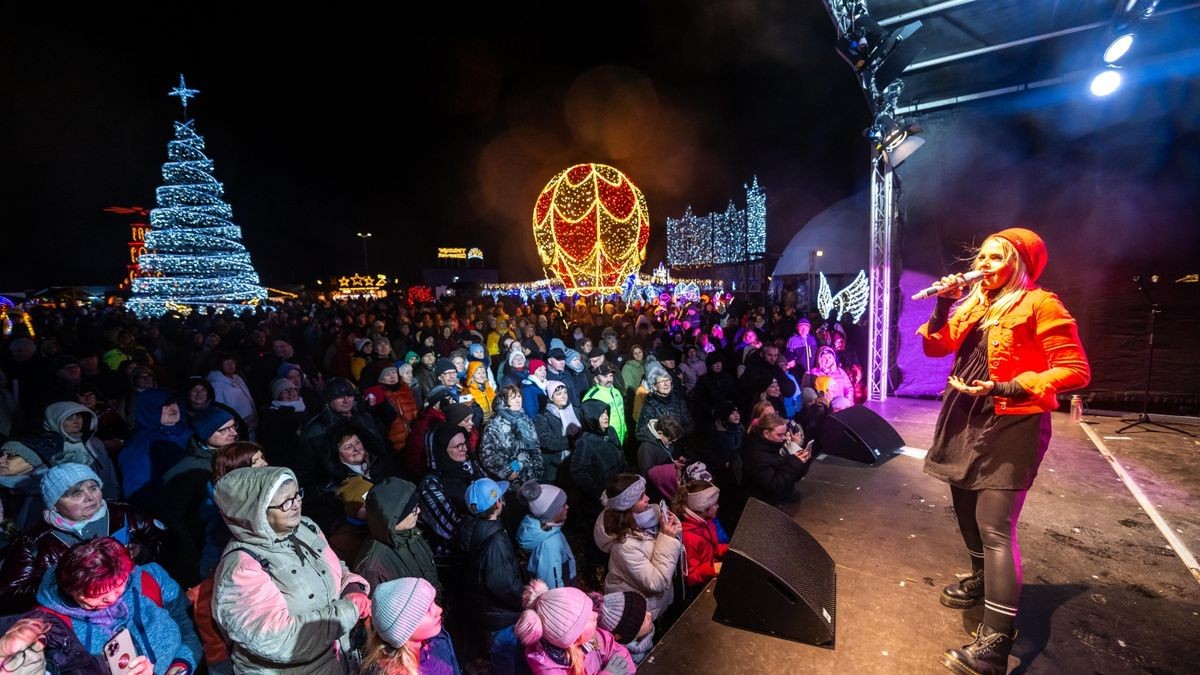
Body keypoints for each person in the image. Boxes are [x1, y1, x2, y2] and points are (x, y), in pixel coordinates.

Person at [917, 228, 1090, 674]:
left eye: (997, 257)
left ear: (1021, 264)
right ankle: (980, 577)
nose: (985, 264)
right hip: (964, 414)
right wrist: (942, 302)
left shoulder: (1040, 304)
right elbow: (935, 347)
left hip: (1012, 419)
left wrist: (1012, 385)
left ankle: (994, 645)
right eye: (984, 256)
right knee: (963, 508)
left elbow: (1075, 370)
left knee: (994, 526)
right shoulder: (974, 302)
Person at [211, 466, 372, 674]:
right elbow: (280, 640)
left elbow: (334, 566)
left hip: (337, 658)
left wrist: (351, 586)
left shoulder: (304, 527)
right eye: (285, 503)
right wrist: (348, 610)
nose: (296, 505)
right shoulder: (241, 570)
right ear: (255, 513)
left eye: (297, 495)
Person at [0, 464, 165, 615]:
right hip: (83, 618)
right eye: (76, 493)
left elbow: (166, 541)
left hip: (136, 603)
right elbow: (9, 596)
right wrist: (68, 583)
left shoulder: (123, 514)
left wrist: (143, 552)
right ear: (54, 504)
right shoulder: (36, 543)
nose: (90, 497)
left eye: (93, 488)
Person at [34, 537, 201, 675]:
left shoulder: (150, 577)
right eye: (98, 595)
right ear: (70, 589)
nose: (112, 599)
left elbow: (187, 625)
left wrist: (181, 665)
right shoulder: (48, 624)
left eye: (119, 586)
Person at [456, 477, 524, 674]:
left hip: (487, 610)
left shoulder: (470, 529)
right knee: (508, 659)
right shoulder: (495, 540)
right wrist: (524, 599)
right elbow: (502, 584)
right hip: (503, 615)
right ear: (498, 503)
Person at [593, 474, 682, 622]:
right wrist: (666, 537)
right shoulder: (624, 546)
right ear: (627, 507)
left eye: (645, 493)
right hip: (643, 613)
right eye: (641, 497)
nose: (648, 498)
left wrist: (669, 527)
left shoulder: (650, 518)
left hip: (658, 603)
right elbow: (656, 582)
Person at [514, 580, 634, 675]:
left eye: (590, 610)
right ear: (573, 637)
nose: (596, 615)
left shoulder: (592, 637)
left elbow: (620, 654)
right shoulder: (548, 669)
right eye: (586, 618)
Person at [354, 477, 442, 601]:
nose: (419, 511)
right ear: (393, 519)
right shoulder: (373, 568)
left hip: (432, 613)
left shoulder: (411, 533)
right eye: (413, 510)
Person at [361, 577, 459, 675]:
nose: (439, 610)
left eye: (433, 602)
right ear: (403, 629)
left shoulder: (436, 639)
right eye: (427, 610)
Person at [739, 411, 813, 506]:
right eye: (779, 435)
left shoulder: (777, 446)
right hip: (766, 506)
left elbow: (792, 478)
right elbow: (773, 487)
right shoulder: (755, 455)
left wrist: (804, 461)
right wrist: (794, 463)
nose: (784, 438)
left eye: (784, 434)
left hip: (784, 499)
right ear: (766, 433)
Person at [479, 385, 543, 487]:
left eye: (519, 396)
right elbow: (487, 455)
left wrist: (538, 467)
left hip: (532, 477)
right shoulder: (495, 425)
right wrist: (507, 472)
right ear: (504, 401)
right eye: (513, 398)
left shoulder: (525, 419)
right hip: (513, 483)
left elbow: (535, 445)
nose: (518, 400)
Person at [515, 481, 575, 589]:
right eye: (563, 506)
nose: (567, 507)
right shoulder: (550, 544)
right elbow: (552, 584)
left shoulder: (547, 528)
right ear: (552, 513)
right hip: (563, 593)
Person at [671, 479, 726, 594]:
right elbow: (690, 576)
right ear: (703, 508)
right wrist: (713, 568)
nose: (718, 506)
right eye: (714, 504)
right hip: (699, 587)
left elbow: (712, 547)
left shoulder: (707, 520)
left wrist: (728, 550)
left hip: (710, 570)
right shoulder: (689, 537)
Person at [534, 381, 582, 484]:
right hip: (557, 467)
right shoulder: (543, 417)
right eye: (558, 394)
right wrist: (573, 440)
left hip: (579, 460)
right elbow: (547, 442)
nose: (563, 396)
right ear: (551, 397)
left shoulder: (576, 411)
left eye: (565, 392)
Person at [596, 591, 655, 665]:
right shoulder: (627, 661)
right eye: (643, 620)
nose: (650, 614)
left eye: (645, 611)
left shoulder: (645, 633)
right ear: (629, 634)